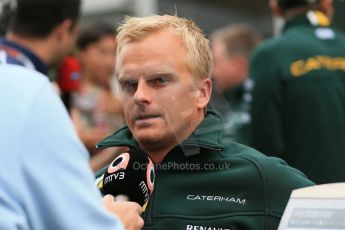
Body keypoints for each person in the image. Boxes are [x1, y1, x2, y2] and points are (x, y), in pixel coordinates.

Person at [95, 14, 314, 229]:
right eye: (129, 84)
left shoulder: (260, 179)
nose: (139, 96)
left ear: (202, 93)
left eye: (159, 81)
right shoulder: (90, 190)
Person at [0, 0, 143, 229]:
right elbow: (78, 220)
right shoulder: (36, 91)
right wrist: (118, 222)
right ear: (66, 30)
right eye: (102, 52)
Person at [249, 0, 345, 184]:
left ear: (275, 7)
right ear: (326, 3)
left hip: (303, 199)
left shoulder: (269, 55)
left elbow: (265, 147)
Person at [70, 22, 126, 171]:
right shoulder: (65, 94)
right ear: (81, 54)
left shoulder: (123, 92)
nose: (110, 62)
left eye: (114, 53)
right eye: (102, 52)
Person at [209, 24, 261, 145]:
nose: (213, 74)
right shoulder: (234, 104)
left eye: (216, 63)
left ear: (239, 65)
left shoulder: (253, 110)